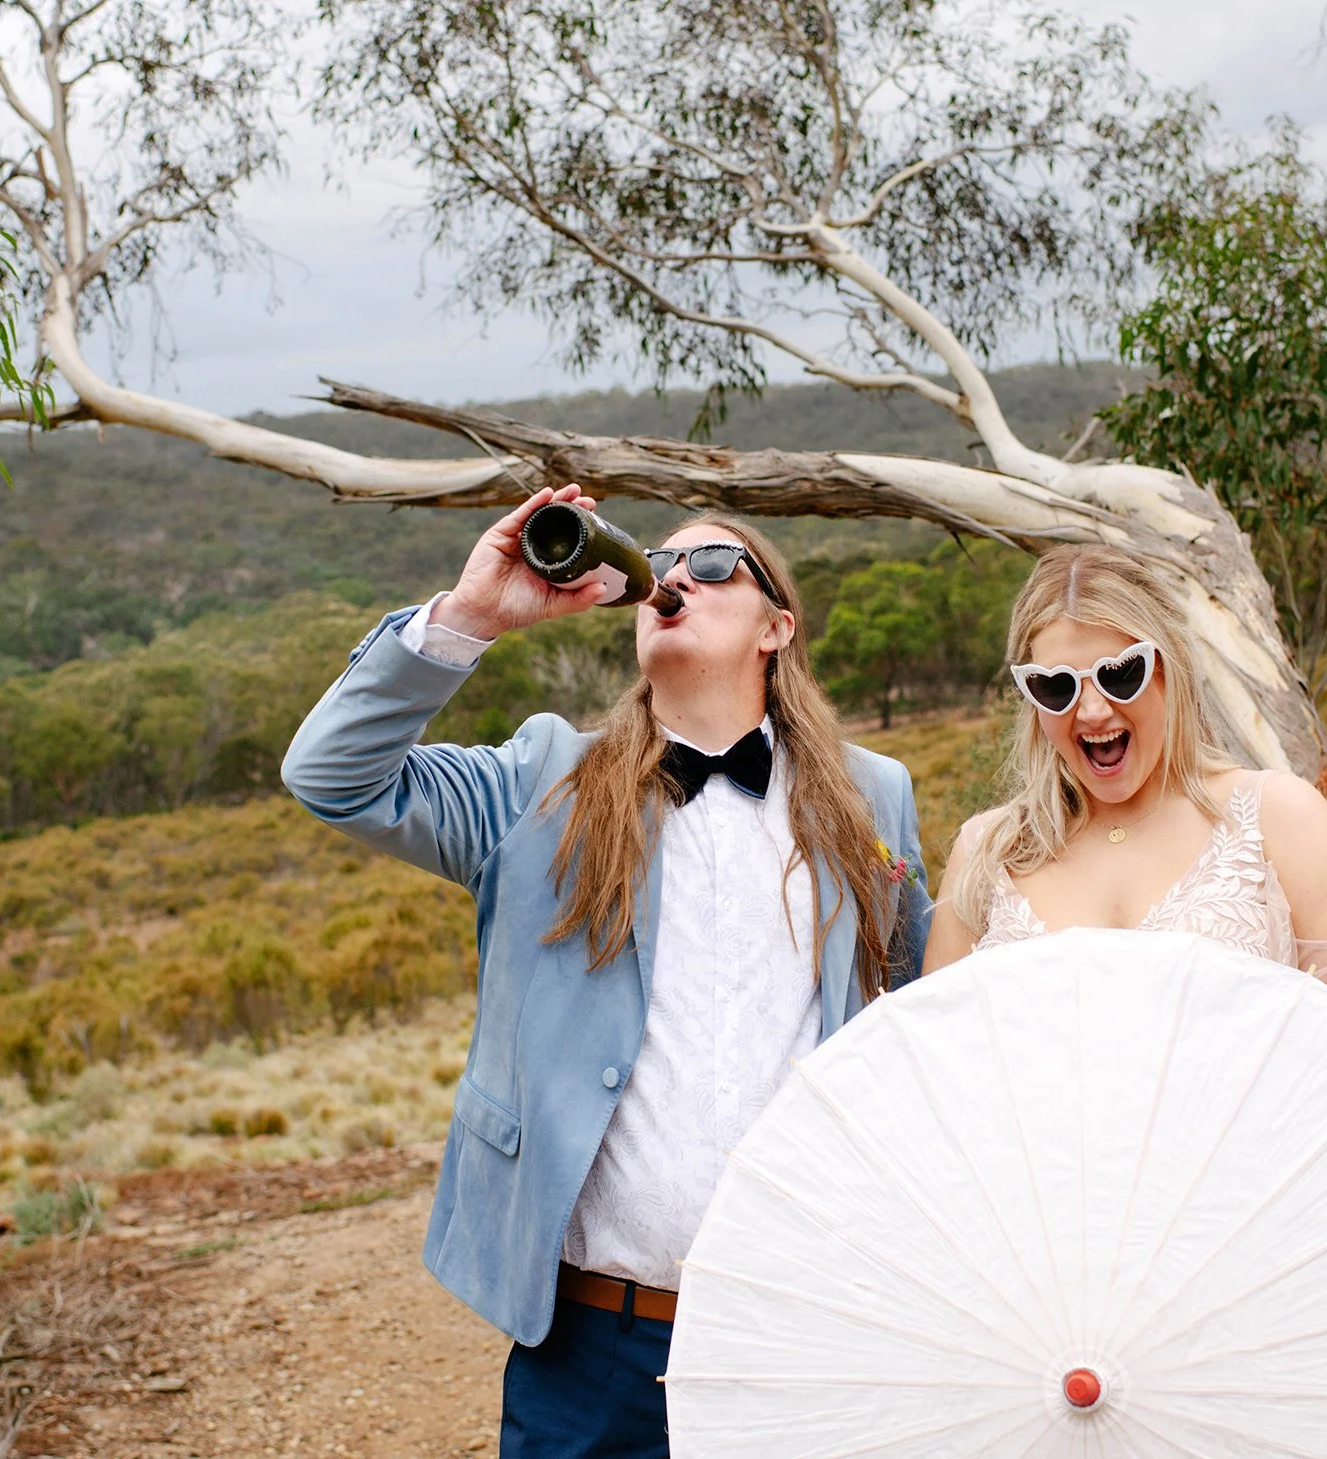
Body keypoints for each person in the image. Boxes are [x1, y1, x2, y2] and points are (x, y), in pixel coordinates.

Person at [280, 484, 931, 1458]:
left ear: (776, 627)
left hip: (803, 1328)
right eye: (662, 564)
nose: (676, 577)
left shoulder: (873, 796)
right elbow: (334, 775)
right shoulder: (540, 778)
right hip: (591, 1344)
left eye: (713, 566)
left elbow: (926, 1005)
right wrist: (469, 618)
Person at [922, 544, 1327, 1042]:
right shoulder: (986, 856)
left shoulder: (1281, 821)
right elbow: (939, 1065)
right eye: (1056, 687)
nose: (1093, 711)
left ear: (1170, 666)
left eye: (1121, 674)